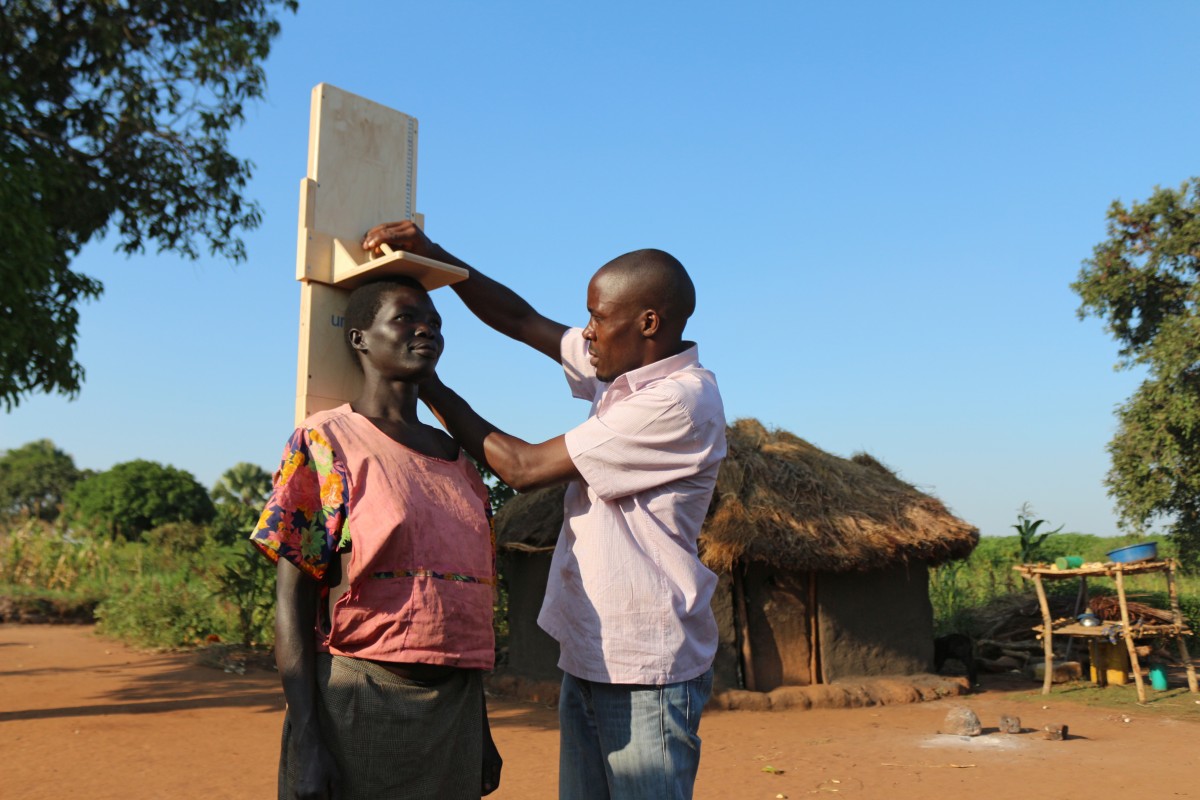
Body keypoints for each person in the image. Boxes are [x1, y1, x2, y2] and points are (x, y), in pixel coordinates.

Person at [362, 222, 727, 800]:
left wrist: (422, 380)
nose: (587, 332)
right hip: (591, 654)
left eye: (598, 319)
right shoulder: (623, 374)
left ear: (649, 324)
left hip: (644, 669)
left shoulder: (676, 402)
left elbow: (523, 468)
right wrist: (441, 259)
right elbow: (521, 320)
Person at [250, 276, 502, 800]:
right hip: (359, 697)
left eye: (434, 322)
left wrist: (481, 728)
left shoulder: (459, 460)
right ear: (359, 338)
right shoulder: (327, 442)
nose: (425, 330)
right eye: (406, 318)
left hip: (453, 711)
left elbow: (460, 607)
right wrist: (308, 740)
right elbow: (291, 604)